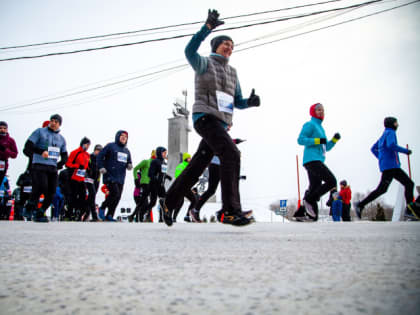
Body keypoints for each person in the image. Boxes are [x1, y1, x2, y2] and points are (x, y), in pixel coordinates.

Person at [159, 9, 260, 227]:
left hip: (221, 124)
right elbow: (189, 51)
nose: (230, 48)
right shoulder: (204, 63)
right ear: (216, 46)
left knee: (196, 166)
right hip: (205, 117)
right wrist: (206, 28)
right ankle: (230, 210)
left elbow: (237, 100)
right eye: (226, 44)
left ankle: (169, 202)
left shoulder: (233, 72)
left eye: (232, 47)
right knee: (231, 153)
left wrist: (249, 103)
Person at [355, 117, 420, 219]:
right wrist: (406, 151)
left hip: (387, 166)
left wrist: (381, 158)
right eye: (396, 123)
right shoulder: (390, 132)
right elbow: (391, 145)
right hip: (392, 166)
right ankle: (410, 210)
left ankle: (360, 204)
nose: (397, 125)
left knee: (382, 189)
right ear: (392, 124)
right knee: (409, 183)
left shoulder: (383, 135)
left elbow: (373, 149)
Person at [296, 103, 340, 221]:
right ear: (313, 112)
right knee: (331, 181)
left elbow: (326, 147)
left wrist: (334, 140)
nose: (321, 112)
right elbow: (300, 140)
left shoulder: (321, 128)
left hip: (317, 159)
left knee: (315, 187)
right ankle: (309, 200)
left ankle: (305, 214)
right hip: (312, 159)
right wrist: (317, 140)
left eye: (323, 110)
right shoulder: (310, 124)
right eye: (318, 110)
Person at [23, 114, 67, 222]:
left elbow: (65, 154)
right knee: (42, 186)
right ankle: (30, 206)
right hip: (39, 164)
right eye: (51, 120)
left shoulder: (61, 139)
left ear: (59, 124)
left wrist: (61, 163)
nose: (53, 123)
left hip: (52, 167)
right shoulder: (40, 132)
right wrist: (40, 152)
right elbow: (28, 146)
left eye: (56, 122)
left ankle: (40, 212)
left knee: (52, 192)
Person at [97, 130, 132, 221]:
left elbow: (129, 161)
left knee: (118, 197)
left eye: (126, 136)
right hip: (110, 175)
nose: (124, 137)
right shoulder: (110, 146)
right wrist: (101, 167)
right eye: (122, 136)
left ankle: (110, 215)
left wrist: (129, 165)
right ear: (117, 136)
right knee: (114, 193)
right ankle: (102, 207)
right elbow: (100, 156)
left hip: (121, 177)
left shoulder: (127, 151)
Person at [65, 137, 91, 221]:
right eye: (86, 144)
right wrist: (77, 166)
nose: (87, 146)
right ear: (82, 144)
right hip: (73, 178)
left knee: (83, 196)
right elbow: (68, 164)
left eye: (89, 145)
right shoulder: (75, 152)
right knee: (73, 196)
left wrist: (88, 170)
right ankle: (69, 214)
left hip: (82, 179)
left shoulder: (87, 155)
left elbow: (87, 166)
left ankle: (79, 213)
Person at [128, 150, 155, 223]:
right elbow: (135, 169)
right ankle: (138, 218)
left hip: (151, 185)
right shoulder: (146, 162)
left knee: (149, 202)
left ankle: (136, 216)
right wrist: (136, 180)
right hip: (140, 191)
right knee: (144, 203)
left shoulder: (156, 164)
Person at [172, 153, 198, 222]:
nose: (190, 159)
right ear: (186, 158)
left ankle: (184, 216)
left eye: (190, 158)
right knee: (183, 202)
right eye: (189, 158)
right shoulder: (182, 166)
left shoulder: (188, 166)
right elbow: (177, 176)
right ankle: (176, 217)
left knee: (193, 200)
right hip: (182, 186)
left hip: (186, 187)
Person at [148, 146, 172, 222]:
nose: (165, 154)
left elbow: (163, 173)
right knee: (153, 202)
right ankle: (143, 213)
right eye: (164, 152)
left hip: (161, 185)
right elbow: (150, 173)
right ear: (159, 153)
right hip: (154, 184)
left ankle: (163, 217)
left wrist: (167, 177)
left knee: (164, 200)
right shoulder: (155, 161)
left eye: (166, 153)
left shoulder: (164, 163)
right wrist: (155, 179)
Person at [84, 144, 102, 221]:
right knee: (92, 195)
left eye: (100, 151)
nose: (98, 152)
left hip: (97, 180)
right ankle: (94, 216)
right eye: (97, 150)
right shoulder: (90, 156)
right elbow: (86, 166)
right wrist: (86, 176)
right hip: (89, 179)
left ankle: (85, 213)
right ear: (94, 150)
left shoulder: (101, 159)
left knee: (91, 197)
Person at [0, 121, 18, 185]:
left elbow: (14, 154)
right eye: (1, 128)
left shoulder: (10, 140)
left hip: (3, 163)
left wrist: (5, 150)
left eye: (4, 128)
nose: (2, 130)